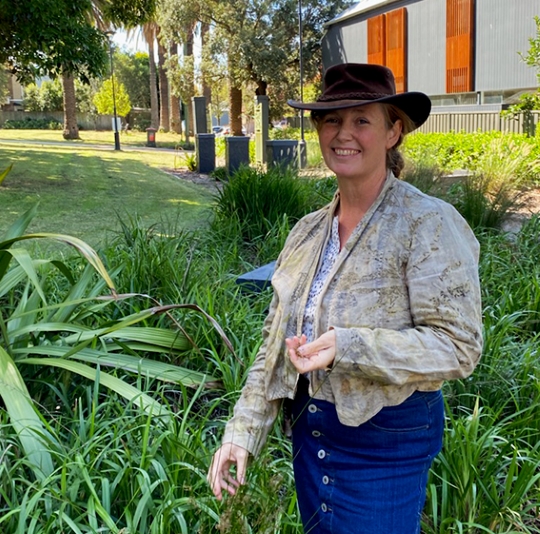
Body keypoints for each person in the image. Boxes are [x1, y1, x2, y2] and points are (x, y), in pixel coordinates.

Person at [208, 63, 483, 534]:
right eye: (332, 120)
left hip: (385, 445)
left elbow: (458, 347)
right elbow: (274, 344)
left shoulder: (426, 223)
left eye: (362, 120)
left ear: (394, 130)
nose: (343, 133)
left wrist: (348, 346)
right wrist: (243, 431)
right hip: (311, 439)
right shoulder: (307, 232)